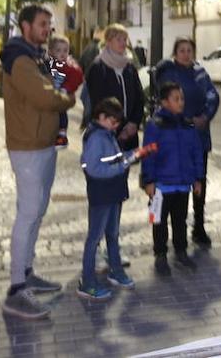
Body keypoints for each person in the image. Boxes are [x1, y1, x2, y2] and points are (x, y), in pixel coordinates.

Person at [0, 5, 77, 320]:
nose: (48, 29)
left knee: (38, 211)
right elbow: (45, 96)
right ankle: (17, 288)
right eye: (42, 24)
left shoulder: (37, 55)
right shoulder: (19, 57)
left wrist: (63, 82)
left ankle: (27, 271)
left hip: (44, 144)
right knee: (28, 213)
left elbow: (61, 76)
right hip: (28, 145)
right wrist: (69, 97)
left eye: (50, 24)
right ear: (25, 25)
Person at [153, 37, 219, 247]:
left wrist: (205, 117)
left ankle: (198, 226)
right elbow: (165, 98)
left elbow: (213, 96)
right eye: (181, 50)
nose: (186, 54)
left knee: (199, 181)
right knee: (174, 187)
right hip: (175, 136)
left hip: (198, 136)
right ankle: (168, 237)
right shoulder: (168, 72)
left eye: (189, 50)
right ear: (175, 53)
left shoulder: (200, 73)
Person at [78, 97, 142, 301]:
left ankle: (115, 269)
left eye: (117, 123)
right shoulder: (97, 137)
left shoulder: (106, 134)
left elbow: (112, 158)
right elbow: (94, 168)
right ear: (102, 117)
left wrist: (131, 155)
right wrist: (121, 166)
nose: (116, 127)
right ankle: (87, 281)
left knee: (113, 234)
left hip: (112, 192)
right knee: (95, 237)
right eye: (113, 122)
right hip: (102, 194)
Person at [140, 82, 205, 273]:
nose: (181, 102)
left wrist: (197, 178)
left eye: (182, 98)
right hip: (160, 185)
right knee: (158, 221)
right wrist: (148, 181)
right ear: (164, 102)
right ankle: (160, 254)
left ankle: (181, 250)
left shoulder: (187, 125)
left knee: (180, 221)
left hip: (182, 185)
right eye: (176, 98)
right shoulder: (155, 125)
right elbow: (148, 154)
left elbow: (196, 152)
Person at [83, 24, 144, 151]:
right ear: (108, 42)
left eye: (124, 39)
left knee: (124, 167)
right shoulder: (98, 67)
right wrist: (117, 126)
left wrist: (134, 123)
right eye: (118, 39)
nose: (123, 43)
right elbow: (98, 102)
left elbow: (139, 97)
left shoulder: (129, 67)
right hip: (106, 132)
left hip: (129, 133)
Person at [46, 35, 82, 147]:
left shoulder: (69, 66)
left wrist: (67, 88)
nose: (62, 53)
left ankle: (62, 134)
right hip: (50, 96)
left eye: (65, 50)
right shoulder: (47, 64)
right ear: (51, 51)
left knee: (62, 113)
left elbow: (77, 77)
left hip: (62, 94)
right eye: (58, 50)